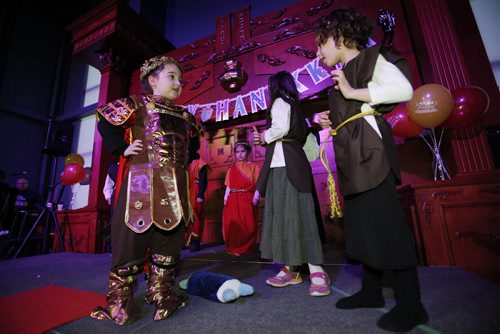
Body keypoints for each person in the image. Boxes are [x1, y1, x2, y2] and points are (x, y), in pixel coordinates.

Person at [314, 7, 428, 332]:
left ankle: (412, 304)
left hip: (372, 156)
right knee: (364, 227)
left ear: (337, 37)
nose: (318, 51)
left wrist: (351, 93)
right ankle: (371, 291)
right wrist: (330, 116)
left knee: (387, 226)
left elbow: (403, 90)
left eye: (321, 43)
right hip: (353, 158)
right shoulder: (344, 70)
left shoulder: (370, 59)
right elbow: (356, 108)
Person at [90, 55, 202, 325]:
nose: (178, 83)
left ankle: (161, 294)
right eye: (171, 77)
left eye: (180, 79)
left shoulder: (187, 116)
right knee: (131, 240)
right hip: (142, 184)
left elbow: (195, 143)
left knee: (170, 240)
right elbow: (104, 119)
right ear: (153, 80)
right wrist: (121, 148)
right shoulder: (136, 104)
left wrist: (185, 160)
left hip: (175, 187)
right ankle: (120, 302)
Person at [254, 71, 330, 297]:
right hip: (290, 167)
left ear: (275, 86)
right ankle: (292, 268)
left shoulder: (280, 102)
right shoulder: (298, 108)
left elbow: (280, 129)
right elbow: (309, 149)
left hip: (286, 168)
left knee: (298, 217)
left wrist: (264, 136)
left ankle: (317, 270)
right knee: (290, 218)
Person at [222, 141, 260, 256]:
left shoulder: (253, 167)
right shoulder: (232, 168)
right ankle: (234, 248)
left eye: (242, 151)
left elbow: (258, 184)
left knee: (248, 224)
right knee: (233, 224)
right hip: (233, 199)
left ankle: (246, 248)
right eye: (237, 152)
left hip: (247, 198)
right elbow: (228, 185)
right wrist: (225, 198)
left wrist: (256, 196)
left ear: (247, 152)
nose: (240, 154)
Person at [184, 136, 209, 252]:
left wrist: (200, 195)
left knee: (196, 218)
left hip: (195, 190)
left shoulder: (201, 162)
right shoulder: (183, 160)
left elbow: (203, 180)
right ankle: (184, 241)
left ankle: (195, 241)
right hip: (184, 191)